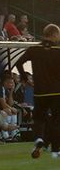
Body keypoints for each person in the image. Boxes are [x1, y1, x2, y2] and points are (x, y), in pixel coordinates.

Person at [15, 23, 60, 159]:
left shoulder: (34, 49)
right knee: (56, 121)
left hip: (39, 91)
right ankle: (55, 151)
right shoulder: (58, 50)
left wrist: (25, 78)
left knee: (39, 118)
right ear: (54, 35)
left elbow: (18, 63)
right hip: (57, 92)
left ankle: (39, 138)